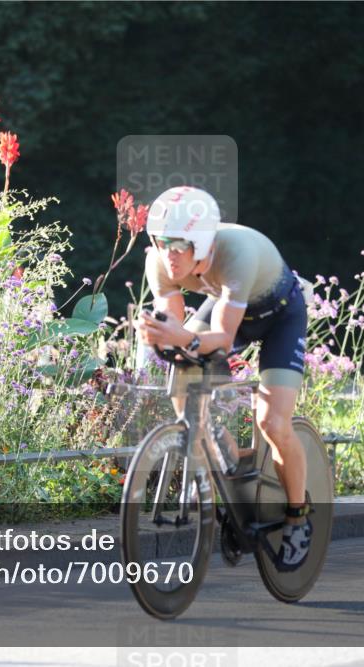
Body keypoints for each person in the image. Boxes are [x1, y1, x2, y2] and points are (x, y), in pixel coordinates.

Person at [134, 186, 313, 570]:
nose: (169, 254)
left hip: (280, 316)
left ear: (201, 243)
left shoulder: (237, 252)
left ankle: (298, 516)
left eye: (179, 245)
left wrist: (182, 337)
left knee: (273, 423)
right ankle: (227, 469)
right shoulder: (159, 262)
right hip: (230, 304)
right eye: (162, 242)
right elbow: (174, 323)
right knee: (184, 390)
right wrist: (158, 332)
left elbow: (224, 338)